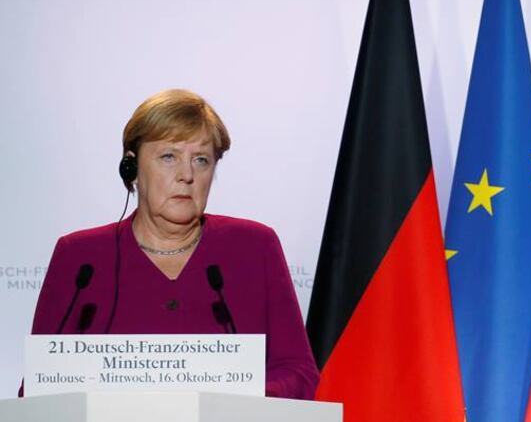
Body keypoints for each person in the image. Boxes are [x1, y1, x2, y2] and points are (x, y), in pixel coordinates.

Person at [29, 89, 319, 399]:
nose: (187, 175)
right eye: (169, 157)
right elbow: (38, 386)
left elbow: (299, 373)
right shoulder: (80, 257)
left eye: (201, 160)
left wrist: (234, 399)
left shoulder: (255, 247)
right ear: (131, 167)